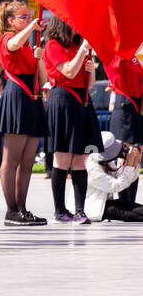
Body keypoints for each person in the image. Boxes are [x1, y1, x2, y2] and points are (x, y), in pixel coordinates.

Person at [0, 0, 47, 226]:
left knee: (27, 161)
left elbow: (43, 79)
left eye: (28, 16)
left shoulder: (26, 44)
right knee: (11, 158)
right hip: (16, 95)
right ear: (11, 21)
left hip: (32, 98)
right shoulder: (7, 38)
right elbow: (12, 44)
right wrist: (32, 28)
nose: (28, 19)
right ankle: (11, 209)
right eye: (23, 17)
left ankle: (22, 208)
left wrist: (39, 58)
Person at [43, 17, 100, 223]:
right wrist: (83, 50)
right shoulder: (52, 45)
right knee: (62, 158)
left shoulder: (77, 47)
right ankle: (60, 210)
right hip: (64, 100)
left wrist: (91, 70)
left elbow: (89, 83)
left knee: (81, 159)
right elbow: (68, 70)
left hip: (82, 102)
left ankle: (79, 210)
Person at [106, 54, 143, 207]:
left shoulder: (135, 60)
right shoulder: (117, 56)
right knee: (124, 155)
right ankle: (123, 200)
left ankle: (130, 201)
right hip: (124, 104)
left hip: (136, 106)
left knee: (136, 154)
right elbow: (113, 72)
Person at [85, 133, 143, 222]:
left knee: (136, 208)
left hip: (106, 203)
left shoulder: (105, 161)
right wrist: (130, 166)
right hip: (94, 207)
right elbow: (116, 186)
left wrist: (135, 164)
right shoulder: (91, 168)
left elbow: (124, 180)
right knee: (133, 215)